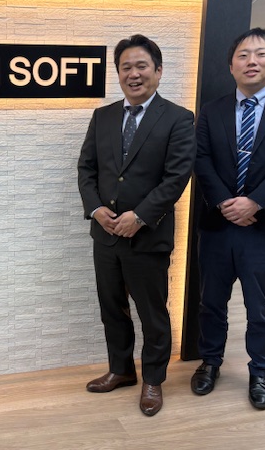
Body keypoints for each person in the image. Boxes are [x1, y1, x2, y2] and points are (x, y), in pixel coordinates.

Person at [191, 28, 265, 409]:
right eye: (243, 55)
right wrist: (226, 203)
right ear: (231, 66)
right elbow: (201, 159)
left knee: (261, 308)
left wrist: (255, 203)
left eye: (260, 54)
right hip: (217, 224)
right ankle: (210, 362)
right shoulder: (211, 110)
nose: (251, 62)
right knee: (211, 302)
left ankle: (261, 372)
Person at [77, 34, 196, 416]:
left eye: (141, 65)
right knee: (112, 308)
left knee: (152, 313)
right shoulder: (103, 116)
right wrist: (96, 209)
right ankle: (122, 370)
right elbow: (86, 169)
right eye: (125, 67)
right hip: (106, 236)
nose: (133, 73)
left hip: (148, 237)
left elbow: (176, 177)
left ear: (158, 71)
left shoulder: (179, 118)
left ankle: (153, 380)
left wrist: (140, 216)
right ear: (118, 73)